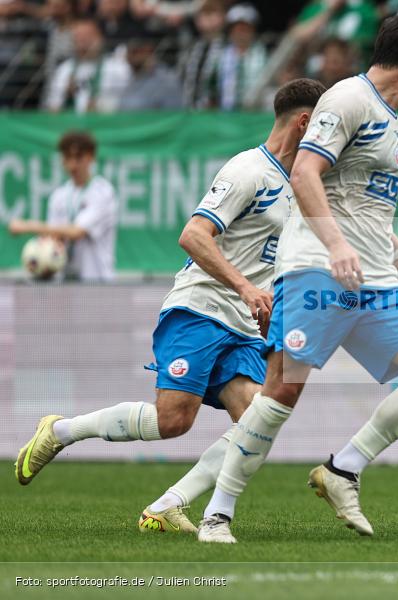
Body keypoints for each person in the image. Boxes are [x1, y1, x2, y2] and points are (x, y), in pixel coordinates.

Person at [15, 79, 327, 537]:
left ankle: (168, 504)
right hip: (200, 306)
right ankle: (61, 431)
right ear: (304, 122)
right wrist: (244, 287)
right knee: (173, 421)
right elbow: (194, 235)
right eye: (323, 125)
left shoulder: (303, 183)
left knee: (257, 420)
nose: (329, 137)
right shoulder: (248, 171)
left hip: (242, 323)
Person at [197, 14, 398, 544]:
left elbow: (364, 205)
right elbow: (303, 174)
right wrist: (337, 246)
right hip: (319, 267)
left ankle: (342, 469)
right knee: (281, 391)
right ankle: (217, 514)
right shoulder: (346, 99)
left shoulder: (392, 120)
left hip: (374, 278)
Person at [8, 130, 117, 282]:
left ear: (91, 157)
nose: (72, 165)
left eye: (78, 158)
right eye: (67, 158)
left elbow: (76, 232)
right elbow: (55, 237)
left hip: (98, 284)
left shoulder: (103, 192)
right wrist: (43, 259)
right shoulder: (59, 196)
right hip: (67, 285)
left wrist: (27, 226)